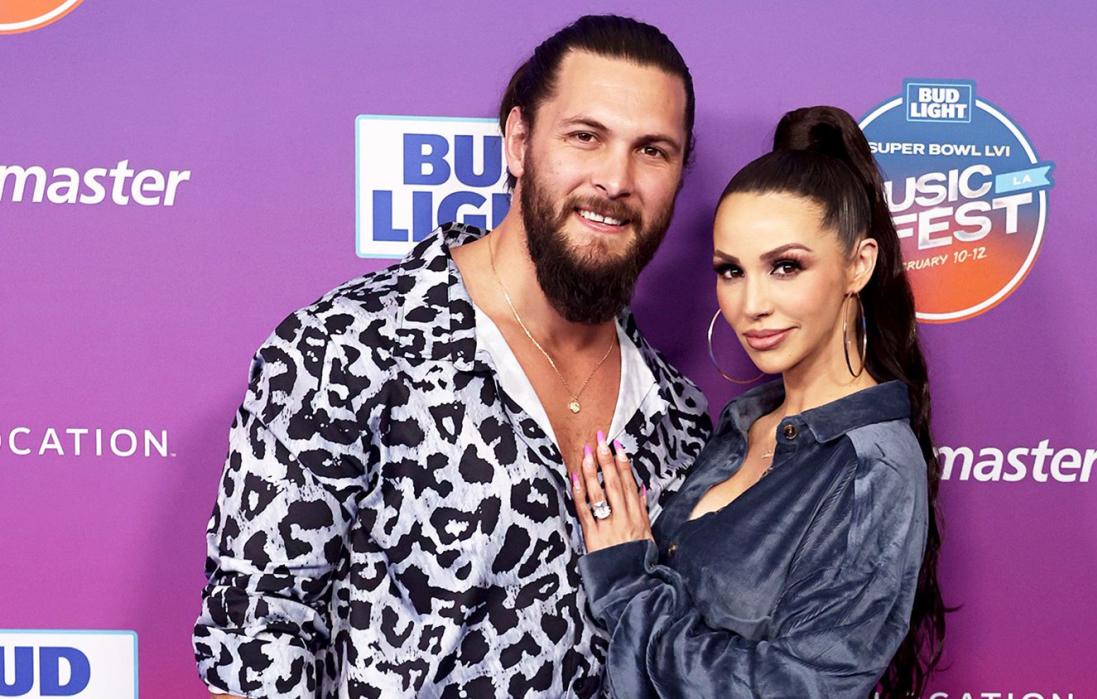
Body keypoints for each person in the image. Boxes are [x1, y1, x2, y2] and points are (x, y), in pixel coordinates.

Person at [193, 15, 713, 698]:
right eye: (585, 136)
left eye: (652, 150)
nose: (615, 178)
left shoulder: (679, 416)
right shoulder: (346, 346)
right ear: (520, 141)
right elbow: (252, 645)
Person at [570, 106, 948, 698]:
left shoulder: (873, 471)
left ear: (859, 265)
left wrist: (626, 583)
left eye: (785, 267)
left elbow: (791, 690)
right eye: (731, 271)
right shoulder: (745, 423)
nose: (751, 305)